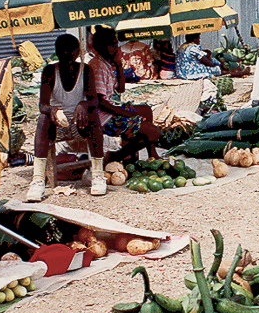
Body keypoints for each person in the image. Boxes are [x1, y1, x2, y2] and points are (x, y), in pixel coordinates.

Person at [27, 33, 104, 201]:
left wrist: (84, 104)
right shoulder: (49, 71)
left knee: (93, 115)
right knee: (42, 119)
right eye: (63, 52)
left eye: (72, 51)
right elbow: (42, 105)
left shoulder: (86, 70)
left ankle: (98, 174)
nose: (68, 55)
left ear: (78, 52)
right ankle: (38, 180)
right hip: (57, 126)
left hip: (79, 124)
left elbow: (94, 100)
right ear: (57, 52)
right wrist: (52, 110)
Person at [88, 26, 161, 164]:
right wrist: (124, 113)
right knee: (154, 132)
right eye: (112, 44)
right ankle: (116, 156)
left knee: (146, 110)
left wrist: (119, 64)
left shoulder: (106, 64)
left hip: (110, 110)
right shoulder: (97, 67)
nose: (116, 47)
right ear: (101, 46)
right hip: (103, 118)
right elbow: (100, 102)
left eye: (116, 44)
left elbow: (120, 89)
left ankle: (151, 153)